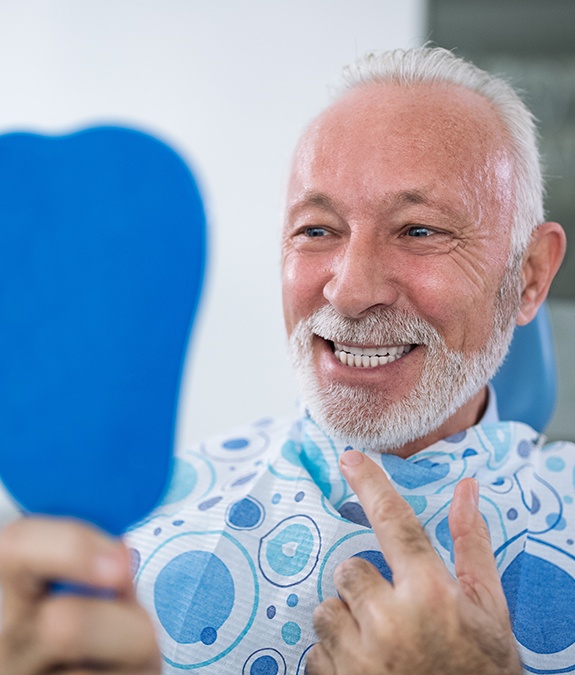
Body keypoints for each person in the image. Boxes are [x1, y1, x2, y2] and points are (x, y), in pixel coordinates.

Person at [0, 46, 571, 675]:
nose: (350, 290)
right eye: (317, 230)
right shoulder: (127, 541)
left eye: (419, 231)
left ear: (529, 277)